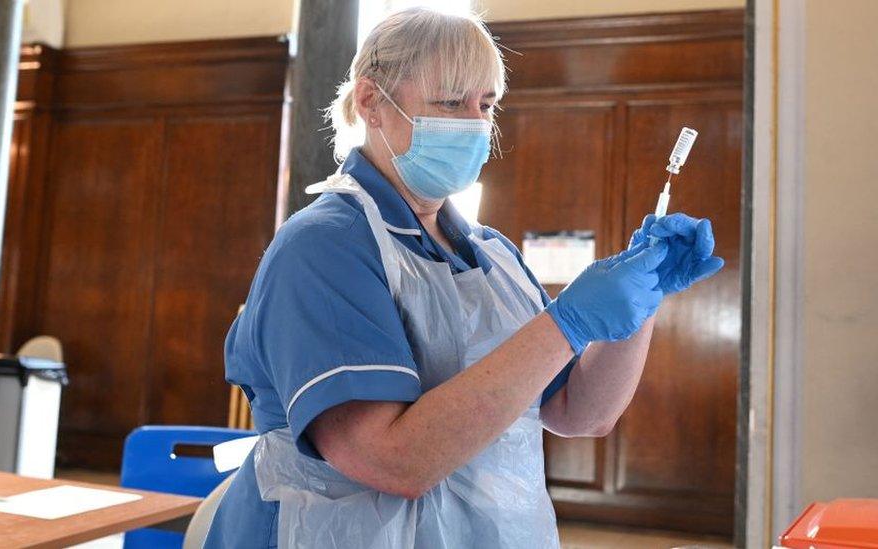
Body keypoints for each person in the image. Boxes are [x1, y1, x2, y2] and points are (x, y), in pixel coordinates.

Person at [203, 7, 724, 549]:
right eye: (451, 102)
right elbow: (392, 461)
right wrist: (566, 322)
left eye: (487, 104)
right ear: (371, 102)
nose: (475, 123)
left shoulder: (490, 253)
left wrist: (645, 297)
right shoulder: (324, 245)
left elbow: (579, 413)